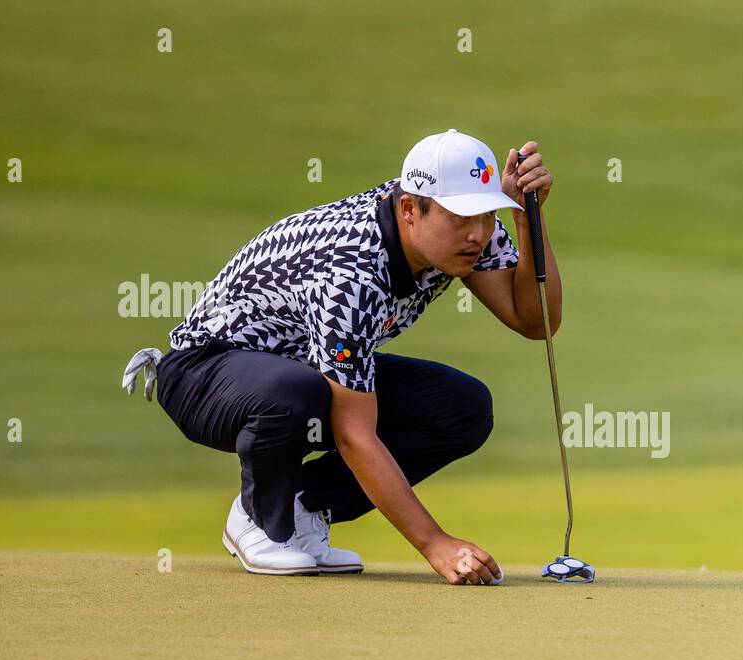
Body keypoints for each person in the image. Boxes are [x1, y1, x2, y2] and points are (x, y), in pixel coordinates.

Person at [120, 130, 561, 583]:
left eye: (487, 215)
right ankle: (258, 518)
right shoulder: (351, 269)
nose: (478, 233)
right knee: (297, 390)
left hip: (302, 372)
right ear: (409, 209)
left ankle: (305, 506)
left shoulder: (464, 237)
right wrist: (435, 543)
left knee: (463, 408)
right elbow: (354, 433)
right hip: (203, 374)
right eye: (460, 218)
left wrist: (529, 220)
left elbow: (535, 321)